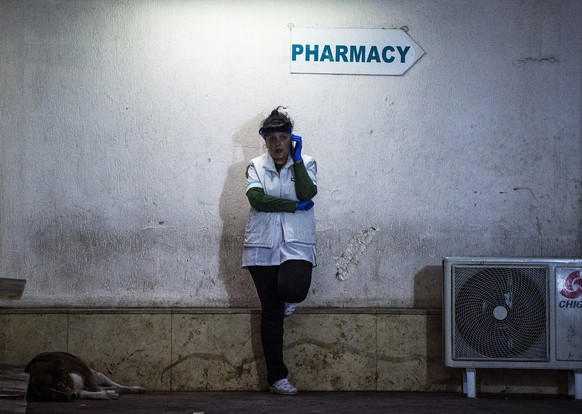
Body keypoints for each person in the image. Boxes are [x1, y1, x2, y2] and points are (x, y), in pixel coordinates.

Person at [242, 107, 317, 395]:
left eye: (283, 137)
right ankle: (277, 378)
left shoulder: (307, 163)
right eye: (271, 138)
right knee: (271, 313)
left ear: (291, 140)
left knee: (294, 289)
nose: (277, 144)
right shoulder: (255, 165)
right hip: (262, 244)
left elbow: (308, 193)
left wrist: (297, 161)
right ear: (265, 141)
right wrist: (291, 205)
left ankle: (289, 300)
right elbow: (257, 199)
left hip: (297, 241)